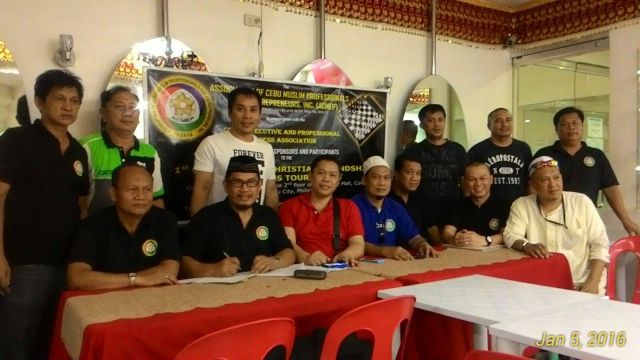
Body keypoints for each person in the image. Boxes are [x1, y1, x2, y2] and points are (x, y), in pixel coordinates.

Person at [0, 69, 89, 360]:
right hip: (24, 261)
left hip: (67, 262)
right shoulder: (17, 140)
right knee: (15, 341)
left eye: (74, 100)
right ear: (39, 102)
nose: (67, 106)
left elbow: (80, 206)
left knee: (53, 339)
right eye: (59, 99)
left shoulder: (78, 151)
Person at [503, 156, 610, 294]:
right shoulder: (522, 205)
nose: (553, 184)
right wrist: (526, 246)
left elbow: (600, 244)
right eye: (544, 180)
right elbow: (510, 235)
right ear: (533, 185)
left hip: (582, 283)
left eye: (556, 177)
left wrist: (593, 282)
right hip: (542, 284)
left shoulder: (581, 202)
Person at [67, 163, 179, 290]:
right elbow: (76, 278)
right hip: (103, 300)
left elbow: (170, 270)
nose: (141, 196)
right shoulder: (91, 225)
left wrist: (113, 280)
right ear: (113, 194)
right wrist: (136, 280)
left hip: (152, 297)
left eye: (147, 189)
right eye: (132, 189)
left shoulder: (165, 220)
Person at [534, 106, 640, 235]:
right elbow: (533, 186)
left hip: (587, 221)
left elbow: (611, 189)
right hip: (551, 220)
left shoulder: (596, 155)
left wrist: (626, 220)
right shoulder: (545, 155)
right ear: (556, 129)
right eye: (565, 124)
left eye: (575, 123)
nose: (571, 128)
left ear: (582, 127)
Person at [182, 156, 294, 277]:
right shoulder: (206, 216)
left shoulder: (268, 215)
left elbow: (288, 252)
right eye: (237, 183)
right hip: (216, 291)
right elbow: (183, 261)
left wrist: (275, 261)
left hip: (261, 288)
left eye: (251, 182)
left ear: (259, 185)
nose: (244, 189)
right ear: (226, 186)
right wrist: (212, 269)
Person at [191, 87, 278, 216]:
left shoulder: (266, 148)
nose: (247, 115)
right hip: (218, 224)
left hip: (253, 226)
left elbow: (270, 191)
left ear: (260, 114)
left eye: (253, 110)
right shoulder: (211, 144)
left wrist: (273, 225)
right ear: (230, 112)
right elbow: (201, 189)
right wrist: (197, 228)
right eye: (240, 109)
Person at [81, 86, 164, 213]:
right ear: (103, 113)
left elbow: (156, 198)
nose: (127, 113)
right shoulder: (86, 146)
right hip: (97, 230)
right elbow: (77, 200)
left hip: (140, 230)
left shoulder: (150, 152)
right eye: (119, 107)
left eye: (133, 107)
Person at [279, 155, 364, 266]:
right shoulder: (289, 206)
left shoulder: (348, 207)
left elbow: (358, 244)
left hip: (337, 269)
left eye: (332, 175)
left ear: (339, 181)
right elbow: (288, 244)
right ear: (310, 175)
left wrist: (346, 255)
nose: (326, 179)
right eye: (321, 173)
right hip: (302, 270)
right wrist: (306, 257)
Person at [351, 156, 438, 260]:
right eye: (376, 177)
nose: (382, 183)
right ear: (364, 180)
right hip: (359, 265)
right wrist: (385, 251)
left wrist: (422, 244)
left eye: (386, 177)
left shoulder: (395, 207)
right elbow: (354, 243)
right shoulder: (351, 206)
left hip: (390, 264)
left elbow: (413, 237)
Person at [403, 104, 467, 229]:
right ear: (421, 125)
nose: (436, 125)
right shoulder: (413, 151)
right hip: (422, 212)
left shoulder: (457, 149)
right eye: (431, 120)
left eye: (440, 120)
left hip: (453, 210)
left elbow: (465, 182)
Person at [467, 108, 532, 204]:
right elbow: (469, 182)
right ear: (489, 126)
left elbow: (529, 180)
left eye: (508, 120)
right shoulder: (478, 150)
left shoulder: (523, 148)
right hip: (488, 207)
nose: (504, 124)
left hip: (519, 206)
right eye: (498, 121)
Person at [442, 162, 510, 247]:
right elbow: (447, 233)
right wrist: (454, 239)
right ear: (465, 182)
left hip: (496, 256)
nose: (478, 183)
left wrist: (485, 240)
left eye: (483, 178)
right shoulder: (456, 205)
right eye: (472, 179)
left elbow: (507, 235)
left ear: (491, 179)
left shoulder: (505, 205)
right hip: (463, 255)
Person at [389, 152, 441, 245]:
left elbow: (431, 227)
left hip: (421, 248)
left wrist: (440, 247)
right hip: (395, 252)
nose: (415, 178)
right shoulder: (385, 198)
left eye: (418, 173)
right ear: (396, 174)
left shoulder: (421, 197)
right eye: (409, 172)